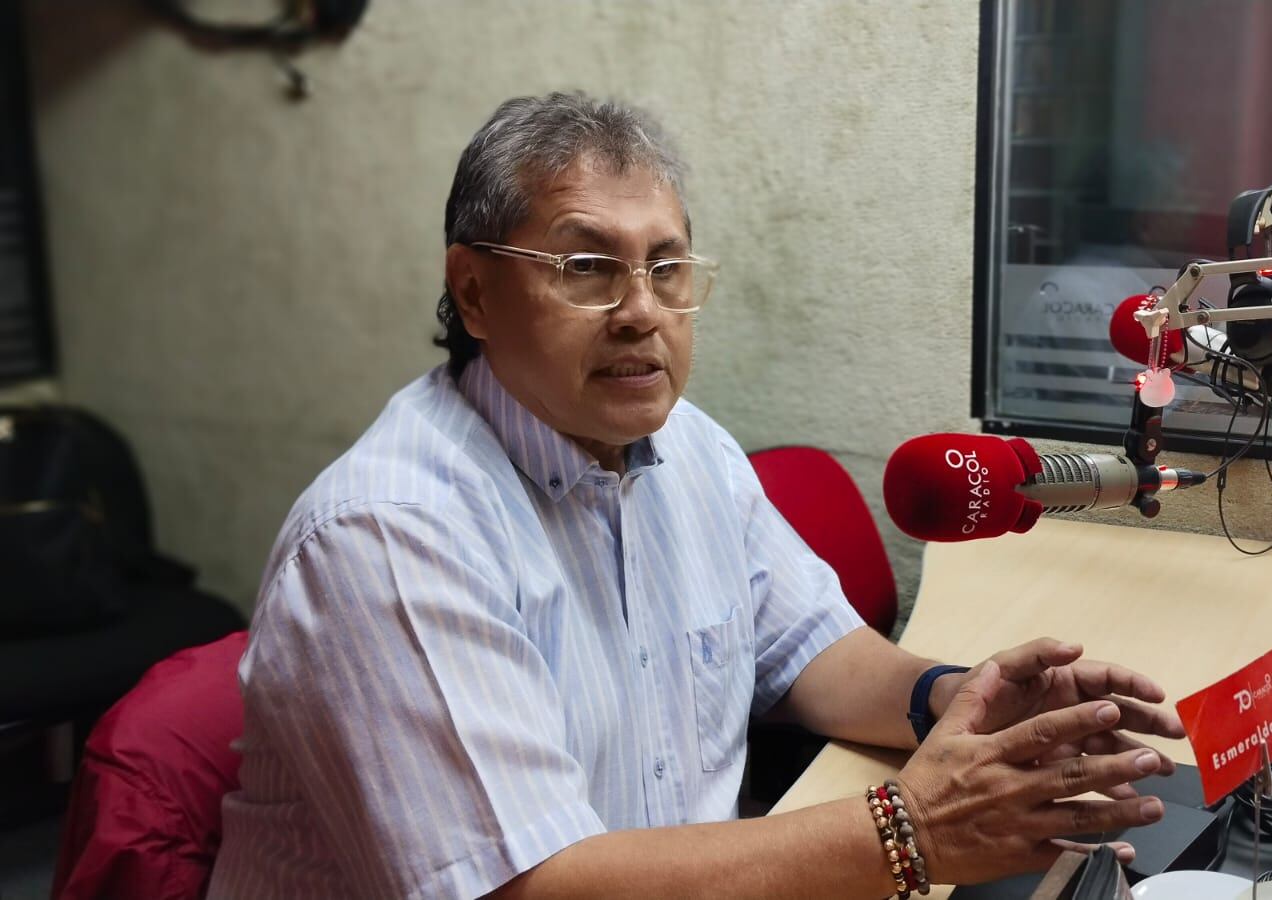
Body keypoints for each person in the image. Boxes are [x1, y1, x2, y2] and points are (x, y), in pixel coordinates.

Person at [207, 92, 1187, 899]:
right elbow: (531, 888)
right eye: (587, 268)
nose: (640, 311)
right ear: (473, 293)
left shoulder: (688, 446)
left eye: (666, 269)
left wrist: (950, 698)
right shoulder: (390, 532)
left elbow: (810, 653)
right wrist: (910, 832)